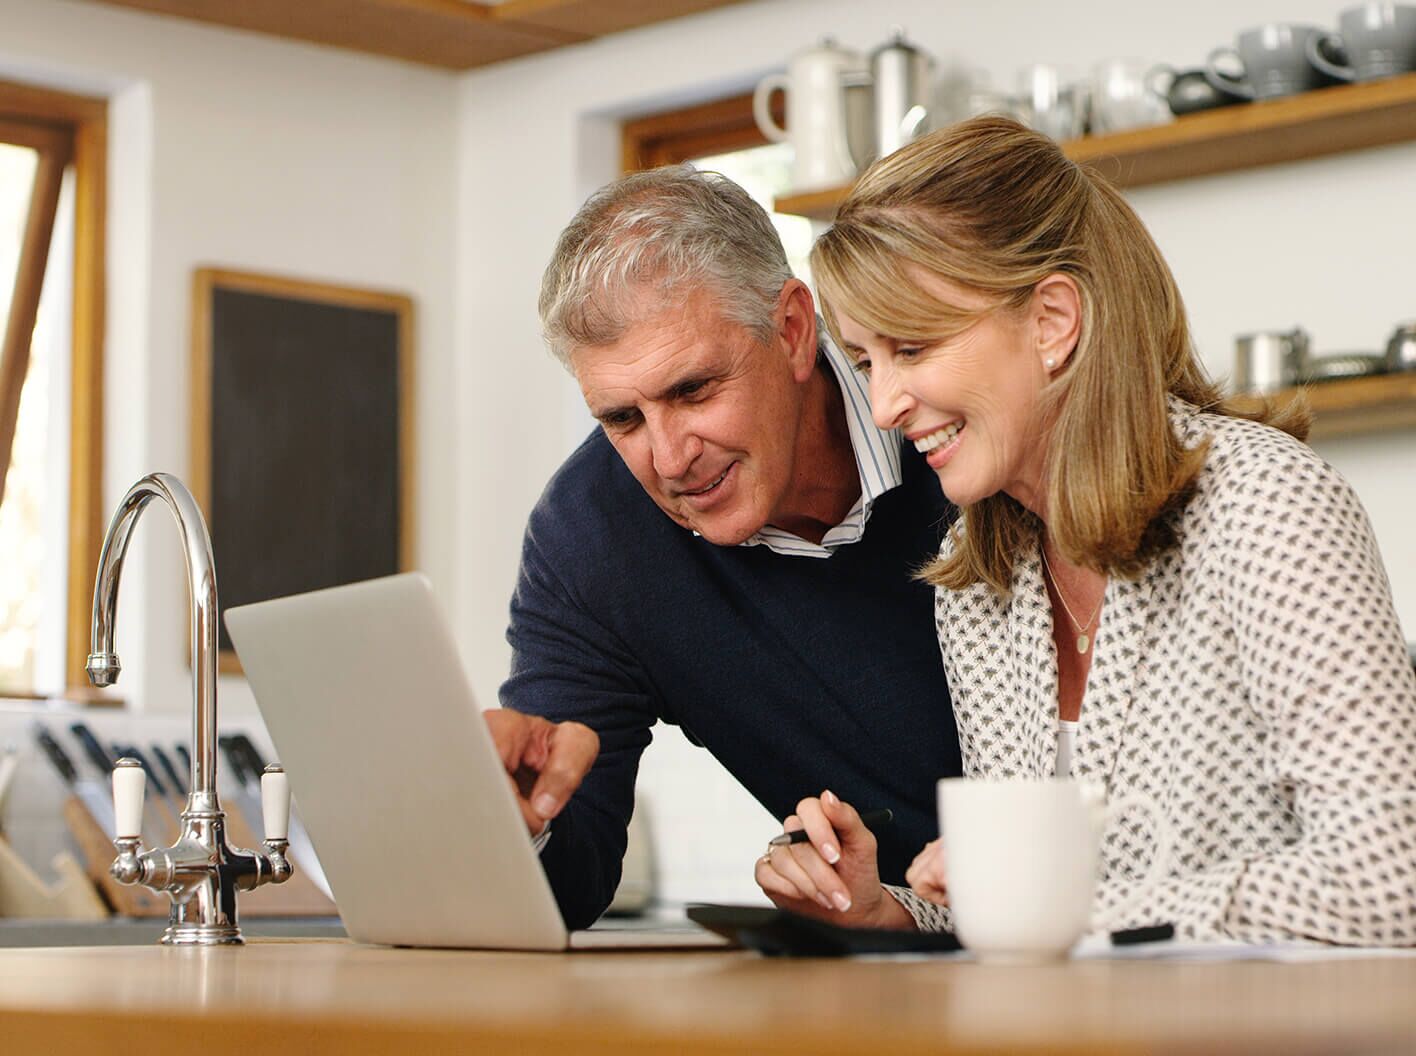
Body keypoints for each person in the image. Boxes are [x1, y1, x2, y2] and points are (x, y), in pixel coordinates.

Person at [757, 116, 1416, 945]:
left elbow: (1395, 880)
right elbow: (1050, 914)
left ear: (1053, 322)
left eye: (913, 347)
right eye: (865, 361)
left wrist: (1066, 909)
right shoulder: (980, 582)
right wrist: (886, 907)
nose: (885, 405)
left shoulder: (1264, 504)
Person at [488, 165, 962, 930]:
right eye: (623, 419)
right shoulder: (588, 538)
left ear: (793, 331)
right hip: (883, 958)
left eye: (693, 390)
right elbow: (568, 884)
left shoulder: (948, 427)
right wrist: (514, 815)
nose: (670, 459)